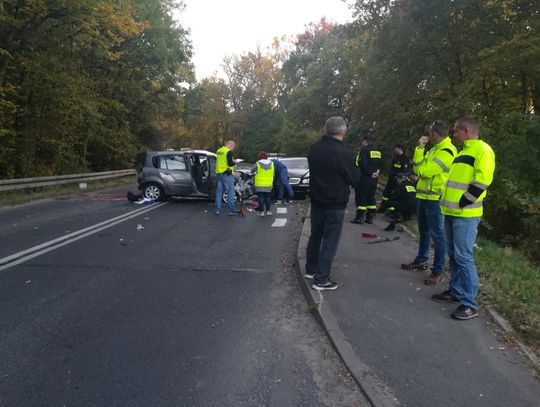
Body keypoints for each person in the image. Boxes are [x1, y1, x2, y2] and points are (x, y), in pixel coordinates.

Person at [432, 116, 495, 320]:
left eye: (456, 131)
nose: (454, 135)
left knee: (464, 257)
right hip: (451, 212)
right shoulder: (462, 152)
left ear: (466, 130)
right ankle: (455, 291)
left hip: (465, 215)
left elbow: (483, 179)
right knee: (455, 255)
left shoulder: (482, 150)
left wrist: (464, 202)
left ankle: (469, 304)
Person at [305, 116, 360, 291]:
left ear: (326, 130)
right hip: (335, 203)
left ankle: (311, 269)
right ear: (342, 131)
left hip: (317, 200)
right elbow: (354, 178)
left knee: (315, 236)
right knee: (330, 241)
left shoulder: (314, 149)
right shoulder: (343, 153)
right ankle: (321, 280)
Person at [401, 121, 457, 285]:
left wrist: (419, 154)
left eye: (430, 133)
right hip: (424, 197)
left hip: (435, 200)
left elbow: (422, 171)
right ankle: (421, 261)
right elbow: (418, 168)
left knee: (438, 236)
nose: (428, 136)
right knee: (424, 231)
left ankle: (437, 270)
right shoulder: (434, 150)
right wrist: (420, 150)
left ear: (435, 134)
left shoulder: (447, 151)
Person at [350, 134, 382, 224]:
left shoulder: (364, 150)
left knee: (361, 196)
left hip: (364, 178)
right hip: (375, 178)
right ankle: (370, 217)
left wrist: (370, 173)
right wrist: (376, 173)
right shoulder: (378, 152)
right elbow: (380, 164)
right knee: (371, 197)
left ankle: (359, 217)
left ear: (365, 141)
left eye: (362, 141)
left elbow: (362, 165)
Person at [379, 143, 409, 212]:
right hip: (391, 178)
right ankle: (382, 208)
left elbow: (405, 170)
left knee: (395, 195)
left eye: (395, 149)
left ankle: (392, 212)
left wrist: (399, 177)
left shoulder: (404, 158)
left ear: (400, 149)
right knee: (386, 193)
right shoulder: (395, 157)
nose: (394, 150)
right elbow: (392, 167)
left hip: (398, 180)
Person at [214, 140, 240, 215]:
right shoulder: (228, 152)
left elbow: (221, 161)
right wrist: (235, 162)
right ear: (230, 145)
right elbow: (230, 163)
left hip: (219, 173)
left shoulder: (219, 151)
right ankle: (231, 210)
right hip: (227, 173)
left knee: (219, 192)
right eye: (233, 147)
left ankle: (217, 209)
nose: (233, 149)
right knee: (230, 191)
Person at [251, 151, 275, 216]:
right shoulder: (272, 163)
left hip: (259, 183)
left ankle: (261, 212)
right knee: (267, 197)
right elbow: (273, 173)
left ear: (259, 157)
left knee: (260, 197)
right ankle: (268, 211)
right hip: (268, 183)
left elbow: (252, 170)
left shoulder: (258, 163)